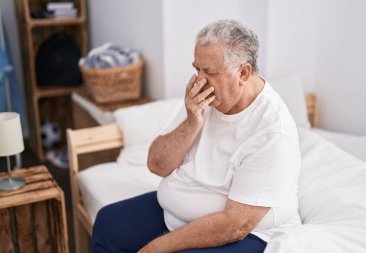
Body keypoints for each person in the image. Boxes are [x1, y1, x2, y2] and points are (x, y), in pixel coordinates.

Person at [92, 19, 301, 253]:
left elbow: (236, 224)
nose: (199, 80)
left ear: (243, 72)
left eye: (209, 72)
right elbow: (156, 165)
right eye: (197, 69)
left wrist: (157, 248)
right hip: (176, 214)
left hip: (246, 235)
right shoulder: (204, 98)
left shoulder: (271, 131)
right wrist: (192, 122)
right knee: (108, 222)